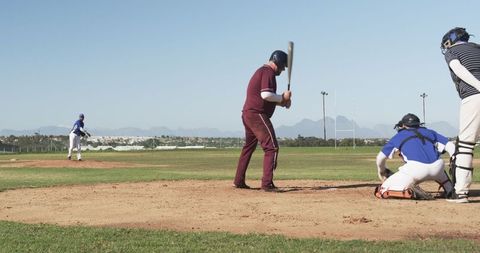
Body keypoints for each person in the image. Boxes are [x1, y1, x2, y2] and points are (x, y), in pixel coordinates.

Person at [234, 50, 292, 191]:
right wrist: (282, 97)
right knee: (271, 147)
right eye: (283, 66)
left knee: (248, 147)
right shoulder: (268, 72)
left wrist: (282, 101)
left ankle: (239, 180)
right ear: (277, 63)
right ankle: (267, 184)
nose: (283, 70)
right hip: (256, 114)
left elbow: (264, 97)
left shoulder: (262, 71)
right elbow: (265, 95)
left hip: (248, 114)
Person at [374, 113, 455, 200]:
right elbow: (451, 146)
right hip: (438, 167)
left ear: (403, 125)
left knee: (382, 190)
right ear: (419, 124)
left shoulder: (399, 136)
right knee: (439, 169)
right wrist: (454, 161)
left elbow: (380, 158)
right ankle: (450, 189)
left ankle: (410, 192)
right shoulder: (430, 132)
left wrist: (381, 171)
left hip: (415, 169)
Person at [441, 27, 480, 203]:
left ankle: (461, 192)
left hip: (473, 96)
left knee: (465, 144)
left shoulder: (452, 51)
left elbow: (459, 69)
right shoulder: (478, 48)